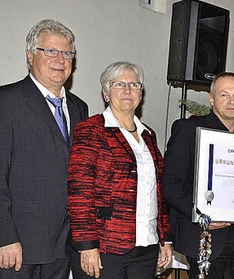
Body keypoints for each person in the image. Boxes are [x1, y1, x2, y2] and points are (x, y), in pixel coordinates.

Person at [0, 19, 89, 278]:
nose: (60, 59)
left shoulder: (80, 108)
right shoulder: (4, 102)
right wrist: (3, 236)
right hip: (17, 245)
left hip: (62, 244)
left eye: (67, 53)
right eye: (50, 51)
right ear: (30, 56)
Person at [66, 62, 172, 278]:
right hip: (105, 248)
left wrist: (165, 238)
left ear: (140, 94)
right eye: (119, 84)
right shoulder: (91, 130)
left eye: (134, 84)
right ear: (106, 93)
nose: (127, 90)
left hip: (147, 247)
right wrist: (87, 246)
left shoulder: (148, 135)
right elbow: (80, 192)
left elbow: (158, 193)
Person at [163, 72, 234, 279]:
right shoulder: (189, 130)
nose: (232, 101)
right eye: (224, 95)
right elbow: (170, 184)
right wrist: (200, 213)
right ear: (212, 99)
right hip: (206, 238)